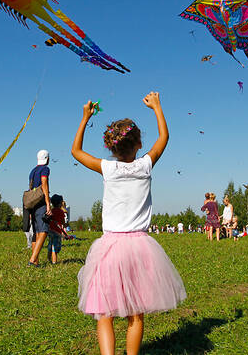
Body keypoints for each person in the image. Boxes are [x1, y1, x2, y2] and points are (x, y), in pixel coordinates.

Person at [72, 92, 186, 355]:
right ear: (138, 144)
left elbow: (76, 151)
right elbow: (164, 139)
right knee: (135, 313)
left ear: (111, 148)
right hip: (139, 247)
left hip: (110, 248)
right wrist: (157, 106)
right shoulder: (145, 165)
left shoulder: (107, 168)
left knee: (104, 312)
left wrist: (85, 118)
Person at [27, 149, 52, 267]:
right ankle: (32, 260)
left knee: (36, 232)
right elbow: (44, 183)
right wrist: (48, 203)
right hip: (41, 202)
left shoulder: (32, 170)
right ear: (47, 158)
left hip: (32, 202)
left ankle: (36, 262)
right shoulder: (45, 169)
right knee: (44, 231)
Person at [47, 194, 68, 264]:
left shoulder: (51, 211)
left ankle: (48, 259)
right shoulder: (61, 212)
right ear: (60, 203)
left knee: (50, 245)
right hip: (57, 232)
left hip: (50, 231)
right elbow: (63, 222)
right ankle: (54, 262)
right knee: (55, 248)